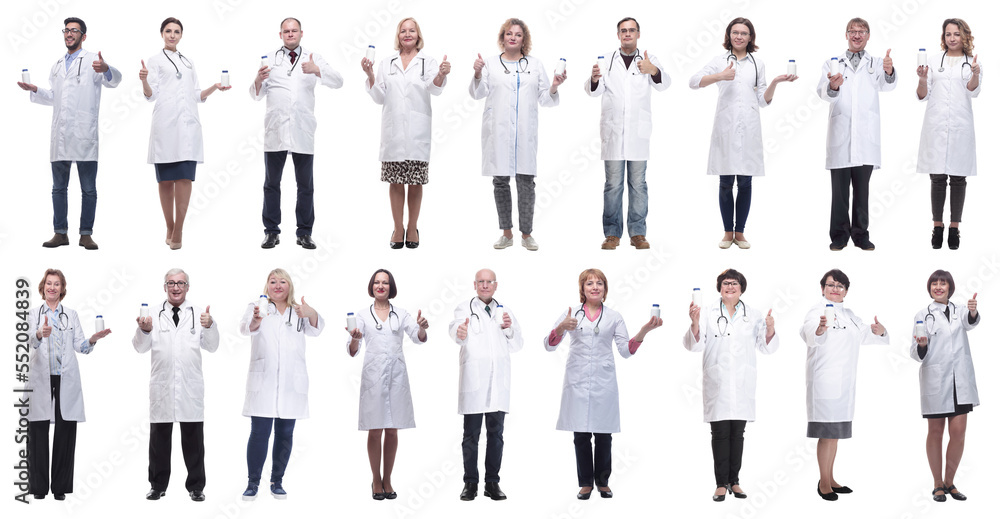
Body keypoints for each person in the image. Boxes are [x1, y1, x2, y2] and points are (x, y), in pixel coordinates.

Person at [544, 268, 661, 499]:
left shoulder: (614, 316)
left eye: (599, 283)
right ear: (582, 289)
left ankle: (603, 481)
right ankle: (586, 483)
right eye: (589, 284)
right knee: (581, 435)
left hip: (603, 381)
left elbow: (626, 351)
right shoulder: (571, 313)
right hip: (577, 380)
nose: (595, 287)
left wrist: (644, 331)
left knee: (604, 435)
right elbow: (549, 345)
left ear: (605, 289)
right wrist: (560, 328)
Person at [690, 17, 797, 249]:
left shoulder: (757, 64)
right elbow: (693, 81)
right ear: (729, 35)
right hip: (726, 128)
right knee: (726, 181)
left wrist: (776, 82)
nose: (739, 36)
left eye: (744, 33)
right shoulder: (719, 61)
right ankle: (728, 233)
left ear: (751, 38)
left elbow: (763, 100)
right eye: (735, 32)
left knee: (746, 182)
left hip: (749, 128)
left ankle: (741, 233)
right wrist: (720, 76)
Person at [17, 17, 121, 250]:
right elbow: (56, 97)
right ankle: (60, 233)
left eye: (74, 30)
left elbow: (115, 80)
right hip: (61, 136)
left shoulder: (94, 60)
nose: (69, 34)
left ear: (83, 36)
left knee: (88, 189)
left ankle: (85, 234)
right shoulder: (56, 65)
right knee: (58, 188)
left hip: (84, 134)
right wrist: (35, 90)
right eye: (66, 30)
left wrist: (106, 69)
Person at [471, 18, 566, 251]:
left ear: (524, 40)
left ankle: (526, 234)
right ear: (502, 37)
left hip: (525, 131)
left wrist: (554, 85)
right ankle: (506, 233)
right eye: (508, 33)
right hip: (498, 131)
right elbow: (478, 93)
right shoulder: (490, 64)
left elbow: (545, 98)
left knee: (526, 182)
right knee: (500, 181)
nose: (513, 37)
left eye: (518, 34)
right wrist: (476, 74)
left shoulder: (534, 64)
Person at [684, 269, 777, 501]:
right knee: (720, 434)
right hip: (718, 382)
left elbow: (766, 348)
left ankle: (734, 481)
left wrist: (771, 328)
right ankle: (720, 483)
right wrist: (694, 323)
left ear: (742, 288)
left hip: (742, 382)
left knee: (738, 433)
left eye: (734, 283)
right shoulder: (705, 313)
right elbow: (694, 346)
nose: (730, 287)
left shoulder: (753, 315)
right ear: (719, 288)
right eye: (726, 283)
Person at [251, 17, 343, 250]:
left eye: (294, 31)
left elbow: (339, 81)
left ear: (302, 33)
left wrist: (317, 70)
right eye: (286, 31)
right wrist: (258, 79)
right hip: (276, 131)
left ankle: (304, 233)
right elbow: (254, 95)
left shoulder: (313, 58)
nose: (290, 34)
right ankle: (271, 232)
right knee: (271, 184)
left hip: (302, 131)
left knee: (306, 186)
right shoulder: (268, 59)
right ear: (280, 34)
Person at [140, 17, 230, 250]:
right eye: (168, 31)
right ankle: (169, 225)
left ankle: (179, 229)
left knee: (185, 178)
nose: (172, 35)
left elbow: (196, 94)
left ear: (181, 35)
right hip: (165, 125)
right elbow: (151, 95)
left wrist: (215, 87)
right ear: (161, 34)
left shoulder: (188, 62)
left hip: (187, 127)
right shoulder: (155, 60)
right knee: (165, 180)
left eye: (176, 31)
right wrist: (143, 81)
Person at [799, 269, 888, 500]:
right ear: (822, 288)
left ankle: (830, 477)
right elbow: (808, 331)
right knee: (826, 435)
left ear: (846, 291)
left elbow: (865, 334)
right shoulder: (816, 311)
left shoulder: (849, 315)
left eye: (840, 286)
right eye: (831, 285)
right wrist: (818, 329)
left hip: (844, 385)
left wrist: (879, 330)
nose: (835, 289)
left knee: (835, 435)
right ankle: (824, 483)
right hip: (824, 383)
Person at [362, 17, 449, 249]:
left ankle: (412, 228)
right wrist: (370, 75)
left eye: (412, 31)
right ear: (398, 36)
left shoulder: (427, 62)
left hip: (417, 132)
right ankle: (398, 228)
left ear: (418, 35)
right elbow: (379, 96)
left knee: (415, 181)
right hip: (393, 133)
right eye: (403, 31)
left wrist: (441, 73)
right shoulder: (386, 62)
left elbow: (435, 89)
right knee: (396, 182)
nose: (407, 34)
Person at [133, 268, 219, 501]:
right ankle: (157, 485)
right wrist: (144, 330)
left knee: (194, 441)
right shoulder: (150, 314)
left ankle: (196, 486)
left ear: (187, 287)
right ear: (165, 287)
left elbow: (212, 347)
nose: (176, 287)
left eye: (181, 283)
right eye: (171, 283)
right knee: (159, 441)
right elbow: (139, 348)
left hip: (190, 387)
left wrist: (210, 326)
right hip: (162, 387)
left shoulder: (200, 314)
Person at [26, 269, 111, 500]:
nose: (52, 288)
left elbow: (80, 346)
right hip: (41, 377)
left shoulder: (71, 315)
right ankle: (39, 488)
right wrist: (40, 334)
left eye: (57, 284)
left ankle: (60, 487)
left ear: (62, 289)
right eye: (48, 284)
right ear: (43, 287)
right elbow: (30, 343)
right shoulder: (33, 314)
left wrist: (93, 339)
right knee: (38, 431)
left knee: (65, 432)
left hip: (66, 377)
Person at [239, 268, 323, 500]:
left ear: (290, 286)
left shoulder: (299, 311)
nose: (277, 285)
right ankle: (253, 482)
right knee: (259, 433)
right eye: (273, 281)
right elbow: (245, 328)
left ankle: (277, 480)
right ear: (267, 286)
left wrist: (312, 312)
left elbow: (316, 330)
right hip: (263, 381)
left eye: (282, 281)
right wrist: (256, 319)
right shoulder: (256, 307)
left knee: (285, 434)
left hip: (291, 383)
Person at [589, 17, 670, 250]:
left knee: (638, 184)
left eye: (631, 30)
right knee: (613, 184)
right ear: (618, 35)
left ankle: (637, 233)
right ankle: (612, 233)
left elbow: (664, 84)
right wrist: (594, 79)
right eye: (623, 31)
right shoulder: (606, 59)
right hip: (613, 132)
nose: (627, 34)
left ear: (638, 34)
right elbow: (594, 92)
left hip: (638, 134)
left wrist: (653, 70)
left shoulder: (648, 59)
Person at [347, 269, 428, 500]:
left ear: (391, 287)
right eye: (376, 282)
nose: (380, 286)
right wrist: (354, 338)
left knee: (392, 430)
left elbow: (418, 337)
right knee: (375, 429)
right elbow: (353, 350)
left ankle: (388, 479)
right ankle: (375, 479)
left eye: (384, 282)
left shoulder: (401, 314)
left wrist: (422, 326)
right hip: (373, 377)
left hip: (396, 376)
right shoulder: (362, 315)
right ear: (371, 286)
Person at [817, 17, 896, 251]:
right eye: (853, 31)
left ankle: (861, 235)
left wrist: (890, 71)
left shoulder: (878, 63)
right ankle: (839, 235)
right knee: (839, 193)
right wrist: (833, 86)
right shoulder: (833, 63)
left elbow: (888, 85)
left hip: (866, 137)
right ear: (846, 35)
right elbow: (822, 92)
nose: (857, 35)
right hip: (841, 135)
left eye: (862, 31)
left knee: (862, 191)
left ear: (869, 35)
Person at [449, 269, 524, 501]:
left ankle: (492, 483)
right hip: (474, 381)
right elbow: (456, 332)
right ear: (474, 285)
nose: (484, 285)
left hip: (497, 384)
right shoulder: (464, 308)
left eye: (488, 282)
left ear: (495, 285)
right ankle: (470, 484)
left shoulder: (506, 311)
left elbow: (518, 344)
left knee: (496, 436)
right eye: (480, 282)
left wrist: (508, 328)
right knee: (470, 436)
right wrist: (459, 332)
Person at [910, 270, 979, 502]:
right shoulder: (923, 314)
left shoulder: (960, 310)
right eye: (934, 284)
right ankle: (937, 484)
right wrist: (921, 345)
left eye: (943, 283)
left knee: (958, 434)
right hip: (937, 381)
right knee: (936, 433)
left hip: (960, 381)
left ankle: (950, 482)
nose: (938, 287)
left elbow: (971, 324)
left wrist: (972, 311)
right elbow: (916, 353)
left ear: (950, 287)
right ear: (929, 287)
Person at [916, 19, 982, 250]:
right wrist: (923, 79)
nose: (952, 38)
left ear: (964, 36)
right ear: (943, 37)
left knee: (958, 178)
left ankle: (954, 228)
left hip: (960, 126)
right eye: (948, 34)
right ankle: (937, 226)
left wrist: (975, 74)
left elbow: (973, 91)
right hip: (936, 125)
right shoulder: (933, 62)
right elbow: (923, 95)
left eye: (956, 34)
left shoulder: (972, 63)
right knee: (937, 178)